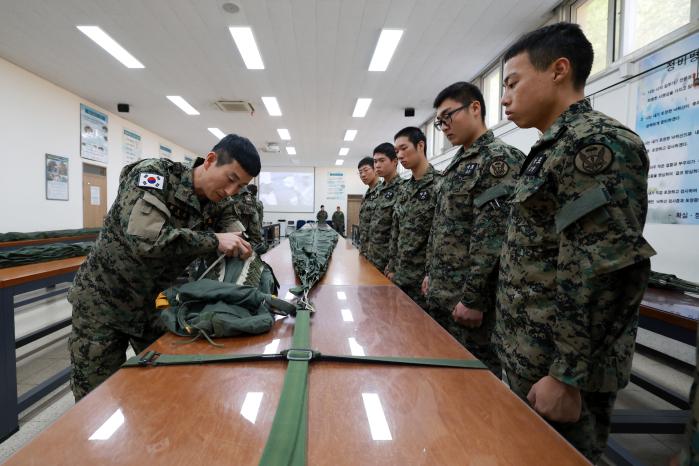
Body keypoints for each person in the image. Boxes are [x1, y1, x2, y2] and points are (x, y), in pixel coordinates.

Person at [495, 22, 656, 463]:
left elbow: (602, 268)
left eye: (512, 83)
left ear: (559, 70)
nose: (505, 98)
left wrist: (567, 376)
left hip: (561, 369)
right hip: (532, 352)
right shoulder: (550, 148)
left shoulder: (596, 144)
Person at [68, 134, 261, 401]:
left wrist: (243, 247)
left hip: (154, 305)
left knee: (168, 387)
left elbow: (238, 237)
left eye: (240, 187)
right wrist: (214, 240)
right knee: (96, 398)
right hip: (103, 304)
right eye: (230, 179)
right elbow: (146, 241)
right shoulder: (154, 177)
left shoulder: (220, 203)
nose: (231, 192)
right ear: (210, 160)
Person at [422, 82, 524, 375]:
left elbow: (493, 237)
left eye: (447, 117)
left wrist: (473, 299)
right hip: (444, 296)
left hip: (468, 305)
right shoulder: (458, 164)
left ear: (475, 108)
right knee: (443, 379)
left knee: (474, 385)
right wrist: (431, 272)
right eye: (439, 122)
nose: (443, 127)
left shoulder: (498, 159)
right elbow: (442, 226)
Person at [385, 127, 438, 308]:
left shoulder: (440, 184)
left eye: (403, 148)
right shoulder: (404, 189)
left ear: (420, 145)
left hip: (424, 281)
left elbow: (442, 236)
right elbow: (396, 231)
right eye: (396, 151)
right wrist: (391, 266)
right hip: (401, 275)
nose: (399, 155)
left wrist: (432, 274)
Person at [367, 143, 402, 271]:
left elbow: (399, 231)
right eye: (375, 161)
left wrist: (393, 264)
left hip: (388, 262)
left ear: (394, 162)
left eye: (382, 160)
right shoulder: (378, 190)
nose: (377, 165)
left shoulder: (402, 188)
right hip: (372, 256)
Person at [357, 157, 380, 257]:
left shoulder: (382, 192)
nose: (362, 175)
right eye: (360, 172)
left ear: (375, 169)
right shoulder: (367, 195)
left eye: (366, 170)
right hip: (365, 249)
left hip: (378, 253)